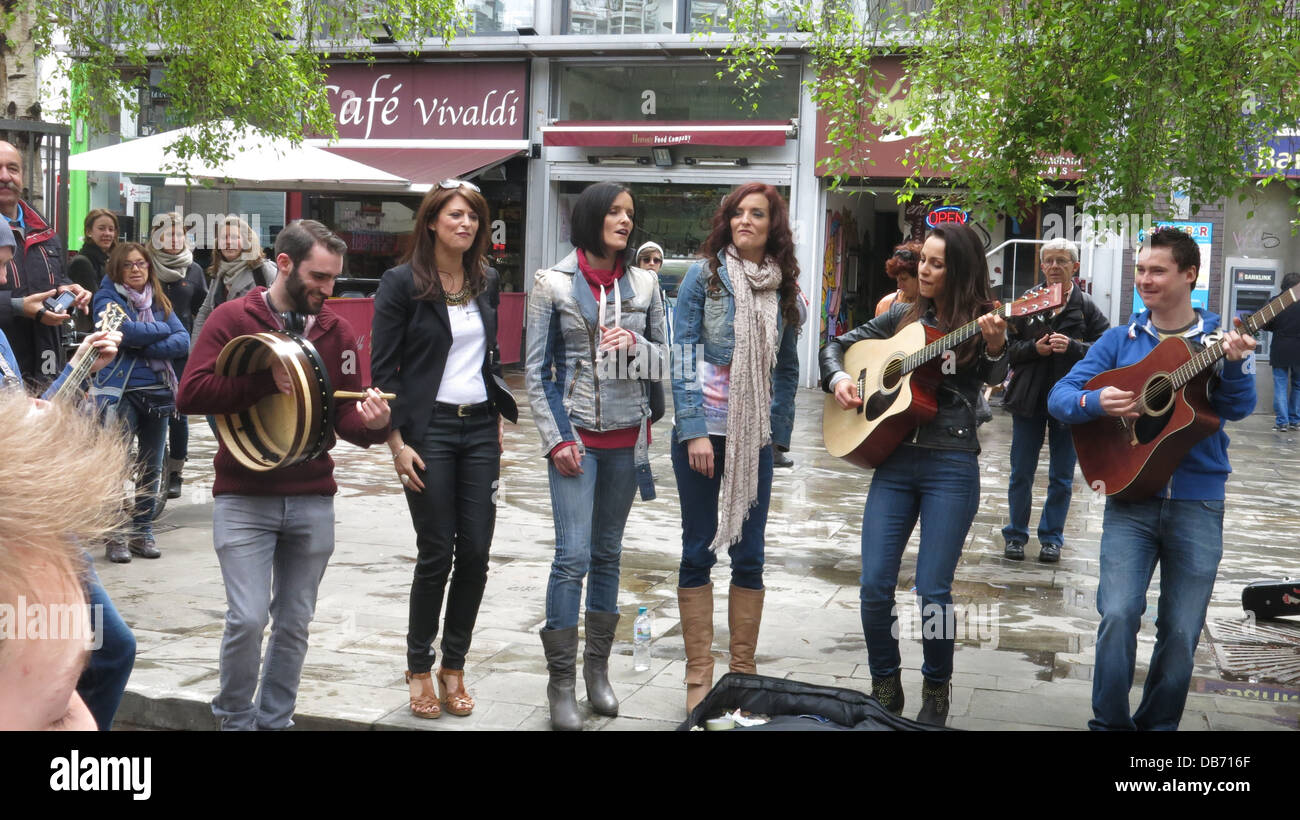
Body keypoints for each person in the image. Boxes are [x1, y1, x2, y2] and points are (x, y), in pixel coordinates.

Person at [177, 219, 391, 731]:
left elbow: (341, 415)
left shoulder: (336, 330)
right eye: (318, 277)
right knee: (247, 620)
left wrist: (376, 426)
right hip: (244, 493)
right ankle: (233, 720)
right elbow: (189, 395)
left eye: (334, 279)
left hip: (312, 495)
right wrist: (260, 381)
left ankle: (276, 722)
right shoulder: (233, 317)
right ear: (287, 263)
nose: (327, 289)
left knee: (294, 624)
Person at [1048, 226, 1256, 731]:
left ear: (1190, 274)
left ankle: (1157, 733)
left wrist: (1236, 366)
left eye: (1157, 270)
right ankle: (1109, 726)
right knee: (1117, 615)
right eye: (1141, 269)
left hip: (1197, 502)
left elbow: (1237, 408)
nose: (1145, 279)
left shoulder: (1214, 342)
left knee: (1182, 632)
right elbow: (1060, 396)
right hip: (1129, 498)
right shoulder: (1119, 340)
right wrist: (1094, 401)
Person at [820, 222, 1008, 726]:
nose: (923, 269)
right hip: (895, 461)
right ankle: (884, 683)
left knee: (933, 590)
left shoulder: (984, 321)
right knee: (875, 584)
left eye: (936, 263)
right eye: (923, 259)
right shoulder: (901, 317)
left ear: (960, 270)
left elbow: (996, 379)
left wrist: (993, 349)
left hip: (951, 463)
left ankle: (937, 688)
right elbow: (837, 346)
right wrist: (839, 378)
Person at [371, 180, 518, 720]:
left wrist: (498, 414)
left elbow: (490, 357)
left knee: (476, 553)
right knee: (437, 552)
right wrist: (395, 443)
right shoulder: (400, 284)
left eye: (474, 217)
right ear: (432, 221)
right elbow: (382, 374)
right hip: (426, 430)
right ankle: (417, 668)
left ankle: (453, 665)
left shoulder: (486, 279)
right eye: (456, 215)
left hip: (479, 429)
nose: (467, 224)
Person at [525, 181, 666, 731]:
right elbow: (534, 372)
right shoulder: (552, 283)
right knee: (572, 557)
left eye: (630, 212)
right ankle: (560, 685)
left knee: (608, 555)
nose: (625, 221)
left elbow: (668, 362)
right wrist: (556, 439)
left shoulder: (646, 284)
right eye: (614, 211)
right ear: (591, 217)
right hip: (576, 441)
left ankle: (597, 673)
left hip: (628, 442)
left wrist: (638, 348)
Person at [671, 182, 802, 714]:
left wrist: (777, 434)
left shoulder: (782, 288)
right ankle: (699, 670)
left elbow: (788, 369)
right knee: (697, 547)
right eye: (738, 213)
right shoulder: (703, 277)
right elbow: (681, 357)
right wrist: (694, 427)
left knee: (750, 554)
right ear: (727, 221)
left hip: (756, 439)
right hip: (705, 431)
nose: (746, 221)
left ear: (772, 226)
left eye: (758, 214)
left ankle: (741, 671)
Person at [2, 314, 139, 732]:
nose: (7, 278)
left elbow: (26, 427)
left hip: (39, 528)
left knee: (109, 650)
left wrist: (77, 369)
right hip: (16, 540)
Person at [1001, 238, 1109, 562]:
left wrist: (1074, 347)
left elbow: (1106, 351)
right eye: (1048, 261)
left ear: (1075, 267)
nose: (1054, 267)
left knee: (1062, 476)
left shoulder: (1086, 306)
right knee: (1021, 471)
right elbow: (1007, 352)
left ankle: (1052, 538)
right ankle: (1015, 536)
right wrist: (1034, 349)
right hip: (1028, 399)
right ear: (1042, 265)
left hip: (1069, 401)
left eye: (1062, 261)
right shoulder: (1027, 303)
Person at [91, 243, 190, 563]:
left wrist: (140, 343)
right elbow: (122, 331)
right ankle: (115, 535)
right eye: (128, 265)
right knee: (116, 466)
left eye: (141, 264)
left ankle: (142, 530)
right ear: (117, 269)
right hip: (120, 394)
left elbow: (183, 340)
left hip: (159, 394)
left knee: (151, 466)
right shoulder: (106, 298)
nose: (136, 269)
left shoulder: (159, 299)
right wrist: (158, 332)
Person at [0, 140, 92, 384]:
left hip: (47, 365)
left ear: (23, 176)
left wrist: (68, 290)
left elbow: (57, 279)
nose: (5, 176)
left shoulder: (44, 230)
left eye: (13, 169)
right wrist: (17, 306)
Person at [149, 212, 208, 499]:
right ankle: (151, 468)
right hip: (148, 347)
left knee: (177, 411)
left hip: (182, 351)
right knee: (148, 408)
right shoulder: (144, 265)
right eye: (167, 234)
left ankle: (175, 471)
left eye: (177, 234)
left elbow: (201, 309)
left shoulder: (194, 270)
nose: (173, 239)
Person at [191, 215, 275, 347]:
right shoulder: (219, 273)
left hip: (256, 351)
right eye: (224, 238)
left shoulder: (262, 270)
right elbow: (205, 312)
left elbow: (281, 312)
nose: (229, 242)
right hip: (222, 349)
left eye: (235, 237)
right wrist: (196, 350)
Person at [67, 209, 120, 333]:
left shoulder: (111, 261)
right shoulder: (82, 263)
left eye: (111, 229)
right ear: (89, 232)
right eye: (102, 228)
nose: (107, 233)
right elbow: (96, 305)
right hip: (94, 332)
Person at [1263, 271, 1300, 432]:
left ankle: (1282, 422)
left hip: (1280, 349)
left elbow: (1264, 323)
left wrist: (1276, 328)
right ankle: (1295, 420)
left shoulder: (1276, 302)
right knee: (1298, 386)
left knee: (1280, 385)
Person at [875, 241, 922, 317]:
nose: (899, 285)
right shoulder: (885, 304)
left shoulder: (933, 307)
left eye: (904, 279)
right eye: (897, 279)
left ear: (919, 276)